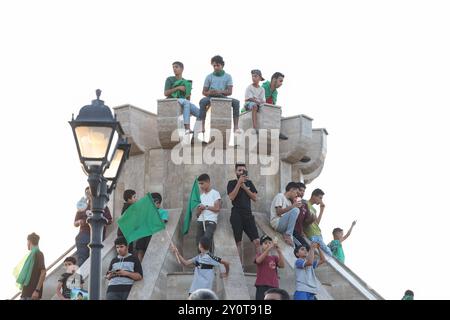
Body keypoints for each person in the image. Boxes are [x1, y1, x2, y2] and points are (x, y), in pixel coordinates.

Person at [199, 55, 241, 136]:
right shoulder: (209, 77)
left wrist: (219, 92)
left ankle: (236, 127)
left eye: (217, 65)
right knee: (203, 101)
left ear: (222, 65)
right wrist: (210, 92)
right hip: (211, 97)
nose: (215, 67)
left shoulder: (228, 76)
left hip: (222, 96)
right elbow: (204, 92)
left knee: (236, 102)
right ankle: (202, 126)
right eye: (214, 65)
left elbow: (230, 92)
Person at [227, 163, 260, 262]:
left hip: (248, 214)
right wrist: (239, 183)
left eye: (243, 170)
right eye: (239, 170)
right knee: (238, 242)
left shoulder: (249, 183)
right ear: (235, 172)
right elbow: (231, 197)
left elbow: (254, 198)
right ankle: (239, 266)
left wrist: (245, 187)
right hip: (236, 214)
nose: (241, 172)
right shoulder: (231, 183)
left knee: (257, 241)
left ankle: (260, 264)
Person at [74, 186, 113, 266]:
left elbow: (110, 220)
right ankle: (78, 278)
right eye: (87, 193)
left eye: (90, 193)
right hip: (84, 235)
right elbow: (75, 223)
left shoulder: (103, 207)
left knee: (94, 260)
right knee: (81, 260)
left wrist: (101, 219)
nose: (89, 195)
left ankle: (89, 278)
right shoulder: (82, 206)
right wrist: (79, 222)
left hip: (98, 236)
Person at [164, 61, 199, 135]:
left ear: (182, 69)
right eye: (173, 67)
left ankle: (195, 136)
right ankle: (187, 128)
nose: (174, 69)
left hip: (183, 101)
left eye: (176, 67)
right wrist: (178, 88)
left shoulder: (186, 82)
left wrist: (188, 91)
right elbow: (165, 93)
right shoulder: (170, 79)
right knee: (186, 102)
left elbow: (188, 98)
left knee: (200, 114)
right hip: (172, 100)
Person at [269, 182, 302, 247]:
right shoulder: (280, 196)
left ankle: (288, 235)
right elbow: (278, 212)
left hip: (284, 226)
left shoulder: (289, 202)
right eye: (296, 193)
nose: (296, 195)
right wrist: (293, 206)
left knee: (295, 246)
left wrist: (294, 205)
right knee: (296, 210)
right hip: (277, 223)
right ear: (292, 189)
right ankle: (288, 235)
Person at [254, 235, 285, 300]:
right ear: (261, 246)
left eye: (269, 243)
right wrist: (268, 249)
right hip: (262, 285)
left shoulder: (274, 258)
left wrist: (279, 252)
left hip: (274, 286)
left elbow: (282, 265)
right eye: (265, 243)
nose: (268, 244)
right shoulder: (259, 255)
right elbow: (258, 261)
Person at [303, 188, 332, 256]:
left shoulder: (314, 209)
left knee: (327, 253)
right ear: (314, 196)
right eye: (320, 198)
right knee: (329, 254)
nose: (321, 200)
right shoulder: (305, 203)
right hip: (312, 234)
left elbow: (317, 223)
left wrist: (321, 210)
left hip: (318, 234)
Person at [17, 233, 46, 300]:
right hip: (25, 293)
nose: (26, 244)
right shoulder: (31, 256)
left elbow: (43, 273)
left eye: (27, 242)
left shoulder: (38, 254)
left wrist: (37, 291)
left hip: (32, 295)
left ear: (29, 241)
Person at [196, 174, 221, 250]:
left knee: (206, 241)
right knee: (198, 243)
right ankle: (201, 261)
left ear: (208, 182)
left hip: (211, 221)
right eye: (199, 184)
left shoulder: (215, 193)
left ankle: (209, 260)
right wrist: (199, 210)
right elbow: (197, 215)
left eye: (202, 183)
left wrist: (206, 207)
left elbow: (217, 208)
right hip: (200, 221)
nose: (201, 186)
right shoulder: (201, 196)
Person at [261, 72, 287, 140]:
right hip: (259, 108)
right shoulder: (264, 87)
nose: (281, 84)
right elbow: (259, 100)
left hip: (267, 110)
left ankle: (277, 131)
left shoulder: (275, 92)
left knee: (278, 111)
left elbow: (273, 105)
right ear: (274, 80)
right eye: (280, 81)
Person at [117, 189, 138, 253]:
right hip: (125, 233)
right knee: (127, 250)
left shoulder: (127, 206)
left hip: (124, 232)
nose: (136, 199)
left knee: (126, 249)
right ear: (129, 199)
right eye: (134, 197)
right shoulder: (129, 207)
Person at [292, 182, 311, 249]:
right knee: (305, 249)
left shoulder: (305, 204)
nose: (302, 192)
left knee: (307, 249)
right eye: (300, 190)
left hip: (299, 232)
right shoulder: (292, 200)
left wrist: (312, 218)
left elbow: (306, 221)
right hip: (292, 231)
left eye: (304, 191)